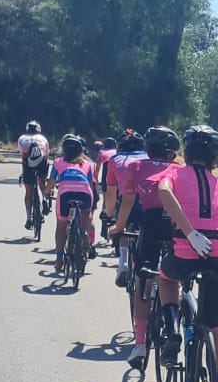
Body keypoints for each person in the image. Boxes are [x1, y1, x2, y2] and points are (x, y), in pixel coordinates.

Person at [156, 124, 218, 382]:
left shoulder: (174, 174)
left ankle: (172, 330)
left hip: (187, 250)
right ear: (215, 159)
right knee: (214, 329)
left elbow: (163, 193)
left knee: (165, 277)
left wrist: (188, 231)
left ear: (186, 152)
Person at [109, 125, 179, 374]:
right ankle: (172, 325)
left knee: (142, 282)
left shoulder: (135, 167)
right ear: (172, 153)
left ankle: (139, 344)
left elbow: (127, 201)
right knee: (172, 277)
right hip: (173, 225)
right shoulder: (179, 170)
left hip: (150, 224)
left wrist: (118, 227)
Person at [49, 135, 97, 272]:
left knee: (61, 225)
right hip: (85, 193)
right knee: (85, 215)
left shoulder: (58, 162)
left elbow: (51, 182)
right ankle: (84, 234)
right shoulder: (89, 163)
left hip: (65, 193)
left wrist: (47, 192)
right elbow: (90, 183)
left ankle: (59, 259)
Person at [108, 129, 147, 288]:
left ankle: (123, 262)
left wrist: (108, 214)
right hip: (148, 201)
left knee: (122, 227)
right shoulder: (148, 158)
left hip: (127, 201)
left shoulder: (114, 159)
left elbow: (110, 192)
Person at [17, 120, 51, 227]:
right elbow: (47, 153)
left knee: (29, 190)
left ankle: (28, 218)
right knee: (42, 182)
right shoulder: (43, 139)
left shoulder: (22, 138)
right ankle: (44, 198)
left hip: (28, 165)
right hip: (42, 164)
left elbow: (21, 154)